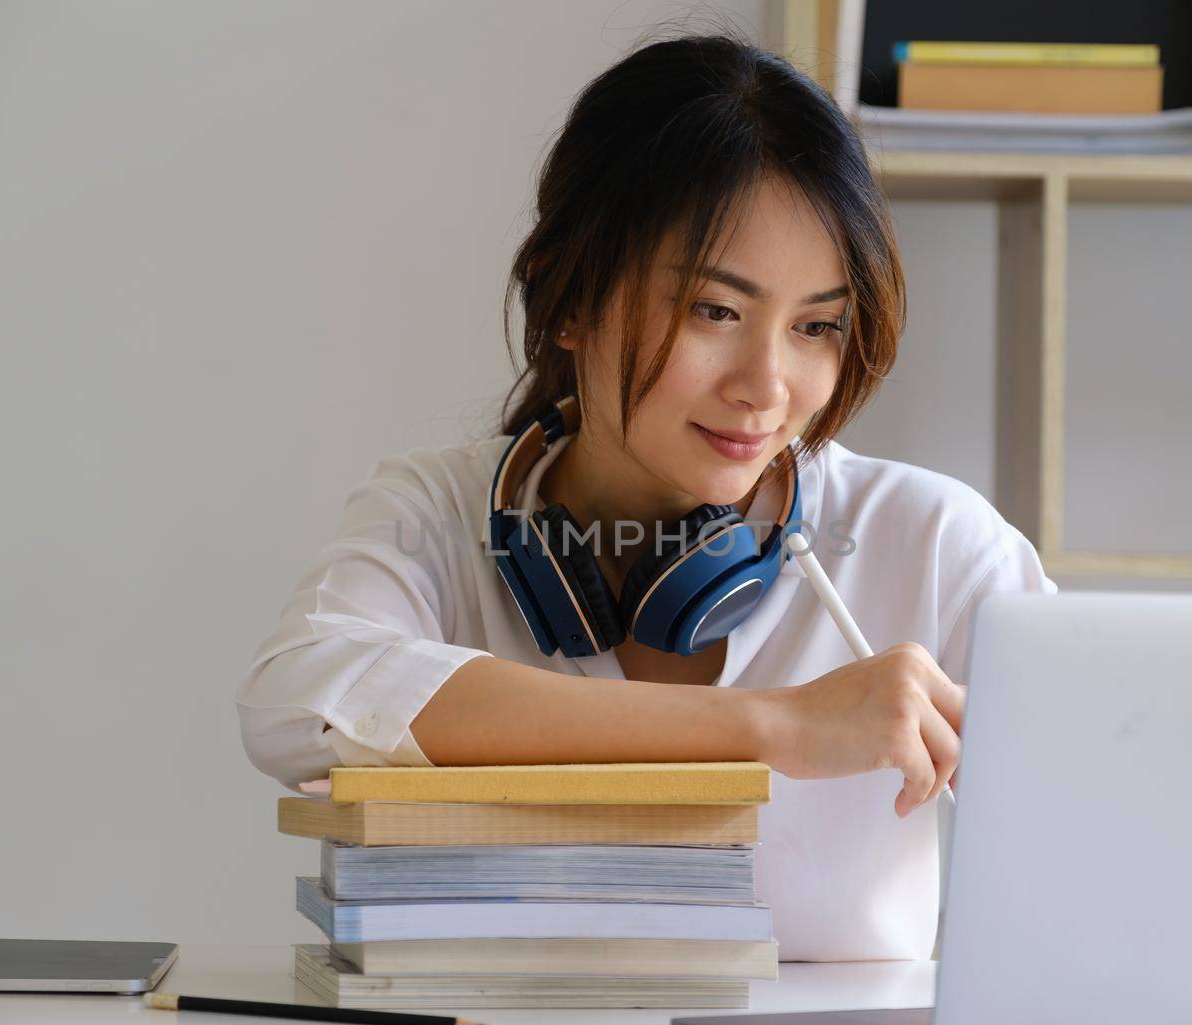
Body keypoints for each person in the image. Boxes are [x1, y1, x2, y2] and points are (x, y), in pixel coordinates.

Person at [235, 31, 1056, 962]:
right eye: (716, 311)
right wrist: (774, 726)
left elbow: (1117, 837)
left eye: (817, 325)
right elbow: (296, 699)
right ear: (569, 298)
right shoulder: (436, 511)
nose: (767, 386)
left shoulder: (937, 544)